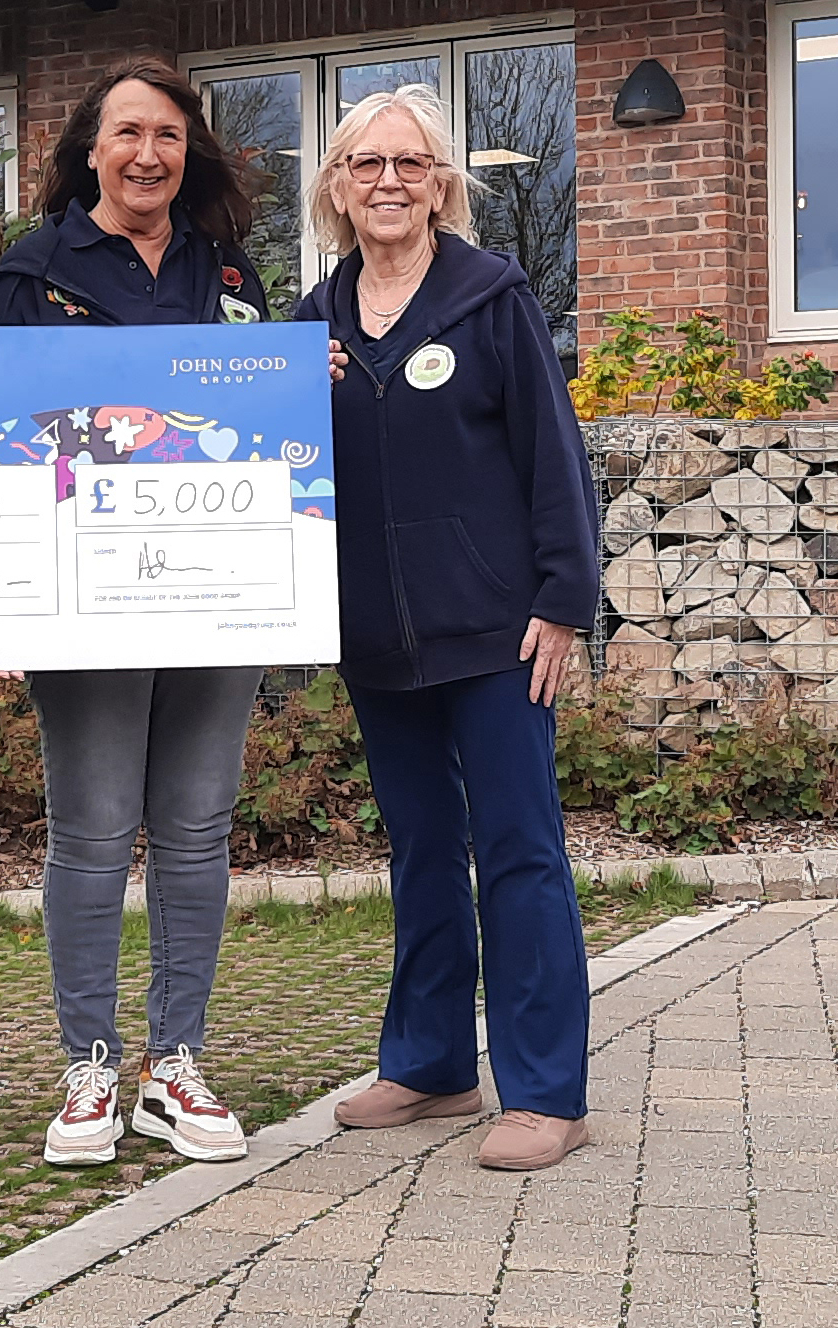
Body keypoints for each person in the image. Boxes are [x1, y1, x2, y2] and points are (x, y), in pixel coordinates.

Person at [301, 85, 601, 1171]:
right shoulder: (309, 326)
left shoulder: (492, 294)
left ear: (441, 187)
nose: (387, 181)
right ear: (335, 187)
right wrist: (297, 396)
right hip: (376, 639)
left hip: (497, 633)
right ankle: (430, 1063)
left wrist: (565, 599)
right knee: (422, 849)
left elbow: (552, 454)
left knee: (519, 852)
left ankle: (545, 1091)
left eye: (409, 164)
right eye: (365, 164)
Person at [0, 57, 271, 1167]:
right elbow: (3, 437)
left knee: (197, 833)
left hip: (212, 591)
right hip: (80, 598)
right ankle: (90, 1067)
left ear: (187, 147)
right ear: (89, 150)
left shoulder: (230, 271)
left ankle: (176, 1063)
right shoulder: (35, 270)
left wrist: (313, 374)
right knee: (94, 835)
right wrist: (2, 602)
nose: (148, 153)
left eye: (166, 133)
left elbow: (255, 415)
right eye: (126, 134)